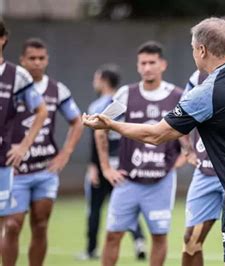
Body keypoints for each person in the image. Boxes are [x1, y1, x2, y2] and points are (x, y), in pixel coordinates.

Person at [83, 17, 225, 266]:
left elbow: (156, 135)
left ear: (201, 50)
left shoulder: (206, 92)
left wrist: (110, 124)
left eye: (192, 49)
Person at [93, 41, 182, 266]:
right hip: (128, 180)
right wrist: (106, 168)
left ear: (163, 64)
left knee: (159, 236)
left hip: (161, 181)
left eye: (152, 62)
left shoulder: (177, 96)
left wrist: (186, 156)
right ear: (137, 66)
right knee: (113, 234)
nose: (147, 67)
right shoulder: (126, 94)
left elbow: (189, 132)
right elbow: (101, 126)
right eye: (143, 63)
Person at [2, 38, 83, 266]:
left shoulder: (57, 90)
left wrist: (65, 153)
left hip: (44, 170)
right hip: (15, 170)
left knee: (40, 224)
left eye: (41, 58)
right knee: (12, 224)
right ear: (22, 61)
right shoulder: (10, 86)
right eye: (32, 59)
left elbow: (77, 122)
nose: (37, 63)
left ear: (47, 60)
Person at [181, 15, 225, 266]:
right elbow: (181, 116)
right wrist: (187, 149)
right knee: (190, 240)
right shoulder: (197, 78)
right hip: (207, 173)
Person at [77, 64, 146, 261]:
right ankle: (139, 241)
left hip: (103, 164)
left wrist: (93, 166)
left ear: (104, 81)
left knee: (95, 208)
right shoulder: (127, 102)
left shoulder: (98, 107)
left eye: (96, 77)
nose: (94, 81)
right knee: (129, 206)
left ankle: (90, 249)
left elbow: (96, 137)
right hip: (125, 163)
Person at [0, 22, 48, 257]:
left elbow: (41, 111)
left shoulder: (16, 75)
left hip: (3, 163)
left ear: (3, 39)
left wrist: (24, 147)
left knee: (5, 225)